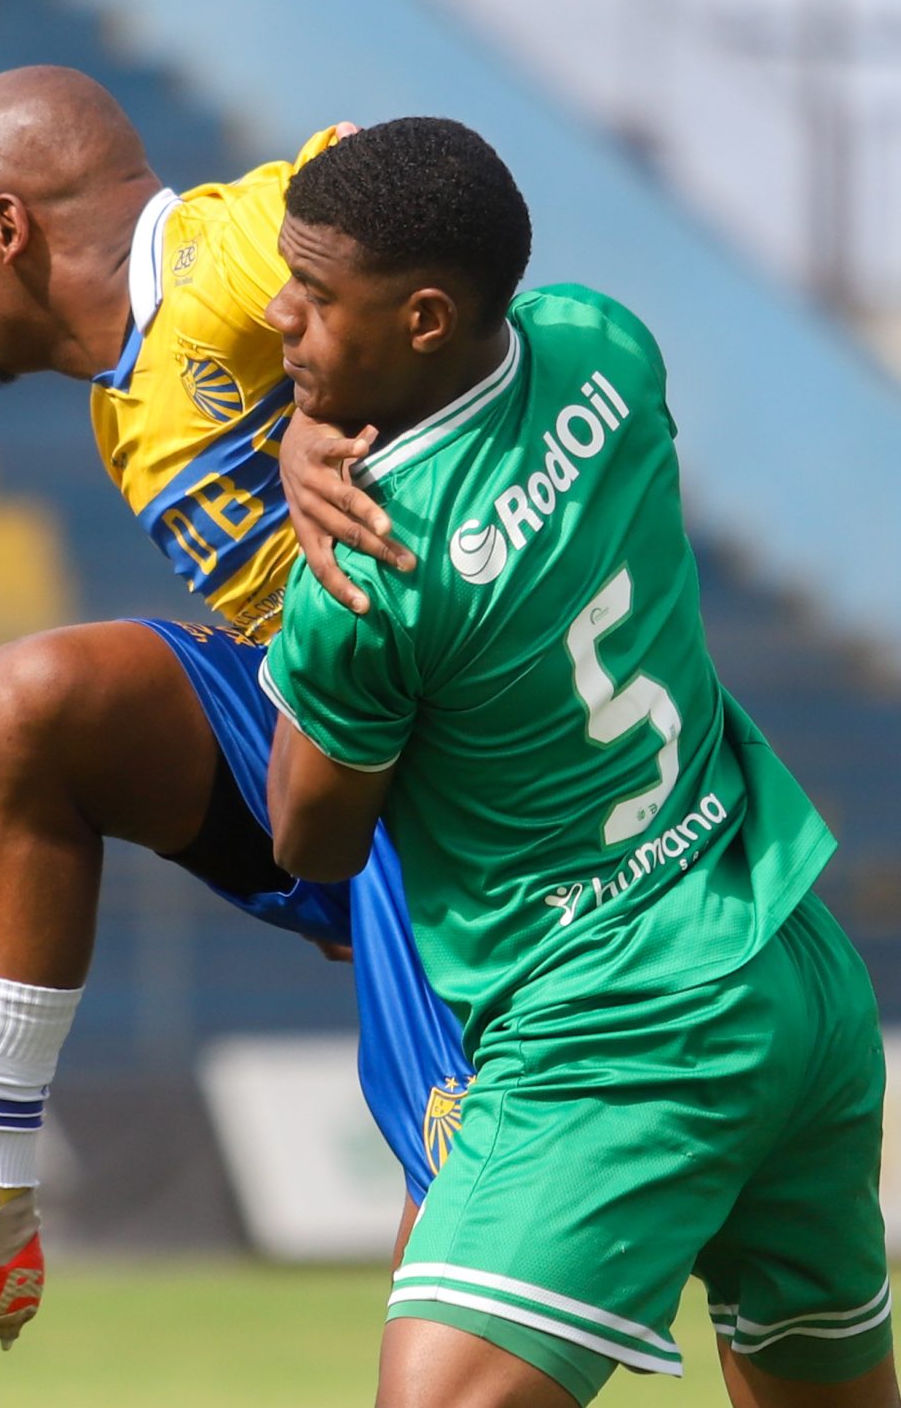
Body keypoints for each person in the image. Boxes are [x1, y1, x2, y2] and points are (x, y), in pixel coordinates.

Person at [0, 68, 471, 1358]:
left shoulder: (212, 261)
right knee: (27, 706)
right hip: (328, 739)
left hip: (464, 779)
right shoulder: (127, 392)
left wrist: (337, 407)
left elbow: (407, 180)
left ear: (7, 226)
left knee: (458, 1247)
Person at [261, 117, 893, 1408]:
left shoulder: (365, 575)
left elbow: (310, 840)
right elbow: (510, 377)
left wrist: (304, 485)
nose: (281, 316)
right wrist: (318, 415)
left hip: (616, 1024)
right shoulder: (608, 344)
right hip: (791, 968)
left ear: (426, 319)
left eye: (316, 296)